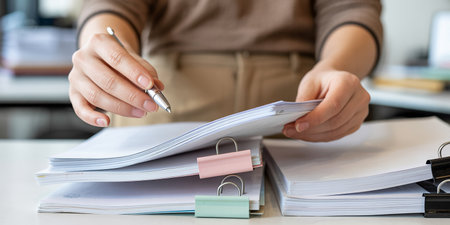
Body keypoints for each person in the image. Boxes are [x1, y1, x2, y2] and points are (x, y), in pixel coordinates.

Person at [69, 0, 382, 142]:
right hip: (164, 104)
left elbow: (353, 10)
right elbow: (111, 7)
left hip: (301, 111)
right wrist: (106, 54)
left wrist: (336, 68)